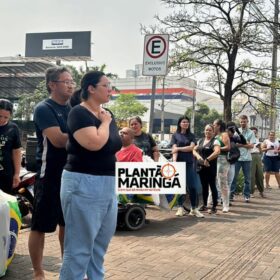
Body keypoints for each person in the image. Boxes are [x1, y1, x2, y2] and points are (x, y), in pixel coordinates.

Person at [59, 71, 122, 280]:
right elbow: (94, 143)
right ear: (91, 88)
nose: (110, 89)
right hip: (83, 182)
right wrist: (104, 124)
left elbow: (111, 144)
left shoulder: (107, 112)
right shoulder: (79, 113)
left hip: (108, 183)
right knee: (79, 249)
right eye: (105, 85)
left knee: (99, 247)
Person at [28, 66, 75, 280]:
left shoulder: (73, 108)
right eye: (66, 81)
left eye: (71, 80)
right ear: (52, 84)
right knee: (40, 226)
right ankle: (38, 272)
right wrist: (84, 135)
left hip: (72, 175)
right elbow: (57, 140)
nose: (70, 84)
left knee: (68, 225)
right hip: (49, 175)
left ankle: (68, 269)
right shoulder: (43, 108)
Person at [171, 116, 204, 218]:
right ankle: (180, 208)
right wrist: (174, 161)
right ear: (180, 123)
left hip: (190, 163)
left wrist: (179, 148)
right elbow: (173, 150)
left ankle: (194, 208)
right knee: (180, 187)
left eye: (187, 122)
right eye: (183, 122)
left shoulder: (191, 136)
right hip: (179, 164)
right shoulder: (175, 135)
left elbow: (191, 148)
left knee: (192, 187)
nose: (185, 124)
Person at [193, 124, 220, 214]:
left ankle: (214, 206)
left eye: (209, 130)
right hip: (201, 168)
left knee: (212, 186)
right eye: (206, 130)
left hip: (210, 167)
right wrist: (198, 157)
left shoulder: (215, 141)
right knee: (204, 187)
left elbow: (217, 152)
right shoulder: (200, 140)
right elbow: (194, 150)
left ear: (213, 131)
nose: (207, 132)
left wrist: (208, 159)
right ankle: (204, 205)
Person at [230, 115, 256, 202]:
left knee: (247, 179)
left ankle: (246, 195)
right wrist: (245, 144)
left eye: (244, 121)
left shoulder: (251, 133)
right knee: (233, 177)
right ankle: (231, 195)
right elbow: (234, 144)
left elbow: (251, 146)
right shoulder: (236, 132)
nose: (243, 123)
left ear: (247, 121)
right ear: (239, 122)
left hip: (247, 159)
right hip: (237, 158)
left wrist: (241, 144)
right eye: (241, 122)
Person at [0, 99, 21, 194]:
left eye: (6, 117)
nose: (2, 120)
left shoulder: (13, 128)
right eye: (0, 116)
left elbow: (16, 152)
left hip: (6, 175)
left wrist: (17, 174)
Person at [213, 119, 231, 213]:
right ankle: (210, 202)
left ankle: (225, 205)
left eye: (214, 124)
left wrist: (217, 148)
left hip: (222, 160)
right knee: (213, 182)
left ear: (219, 126)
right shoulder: (215, 135)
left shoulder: (224, 134)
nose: (213, 126)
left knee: (222, 183)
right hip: (214, 159)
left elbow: (228, 147)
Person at [250, 127, 265, 197]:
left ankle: (261, 191)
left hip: (258, 156)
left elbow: (261, 151)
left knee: (260, 174)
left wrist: (259, 147)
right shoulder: (248, 139)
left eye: (255, 132)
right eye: (253, 132)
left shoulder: (257, 139)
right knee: (251, 175)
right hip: (250, 156)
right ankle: (251, 192)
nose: (254, 133)